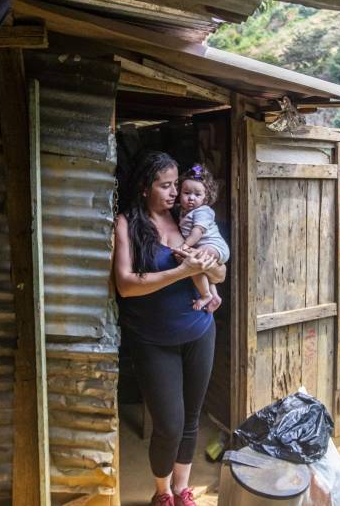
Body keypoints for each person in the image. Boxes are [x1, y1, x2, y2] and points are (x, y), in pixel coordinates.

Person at [114, 151, 226, 506]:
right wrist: (180, 272)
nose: (175, 192)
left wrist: (211, 266)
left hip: (199, 331)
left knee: (191, 417)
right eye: (165, 185)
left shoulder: (188, 221)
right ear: (146, 187)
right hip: (153, 340)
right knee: (169, 425)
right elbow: (126, 285)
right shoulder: (127, 224)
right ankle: (162, 493)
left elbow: (218, 272)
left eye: (176, 185)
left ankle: (182, 489)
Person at [176, 164, 230, 311]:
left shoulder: (203, 211)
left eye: (197, 195)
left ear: (206, 197)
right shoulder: (183, 211)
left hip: (215, 247)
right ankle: (214, 296)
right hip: (206, 248)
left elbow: (197, 231)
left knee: (193, 259)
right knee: (199, 267)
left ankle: (205, 295)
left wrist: (185, 246)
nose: (191, 198)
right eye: (186, 193)